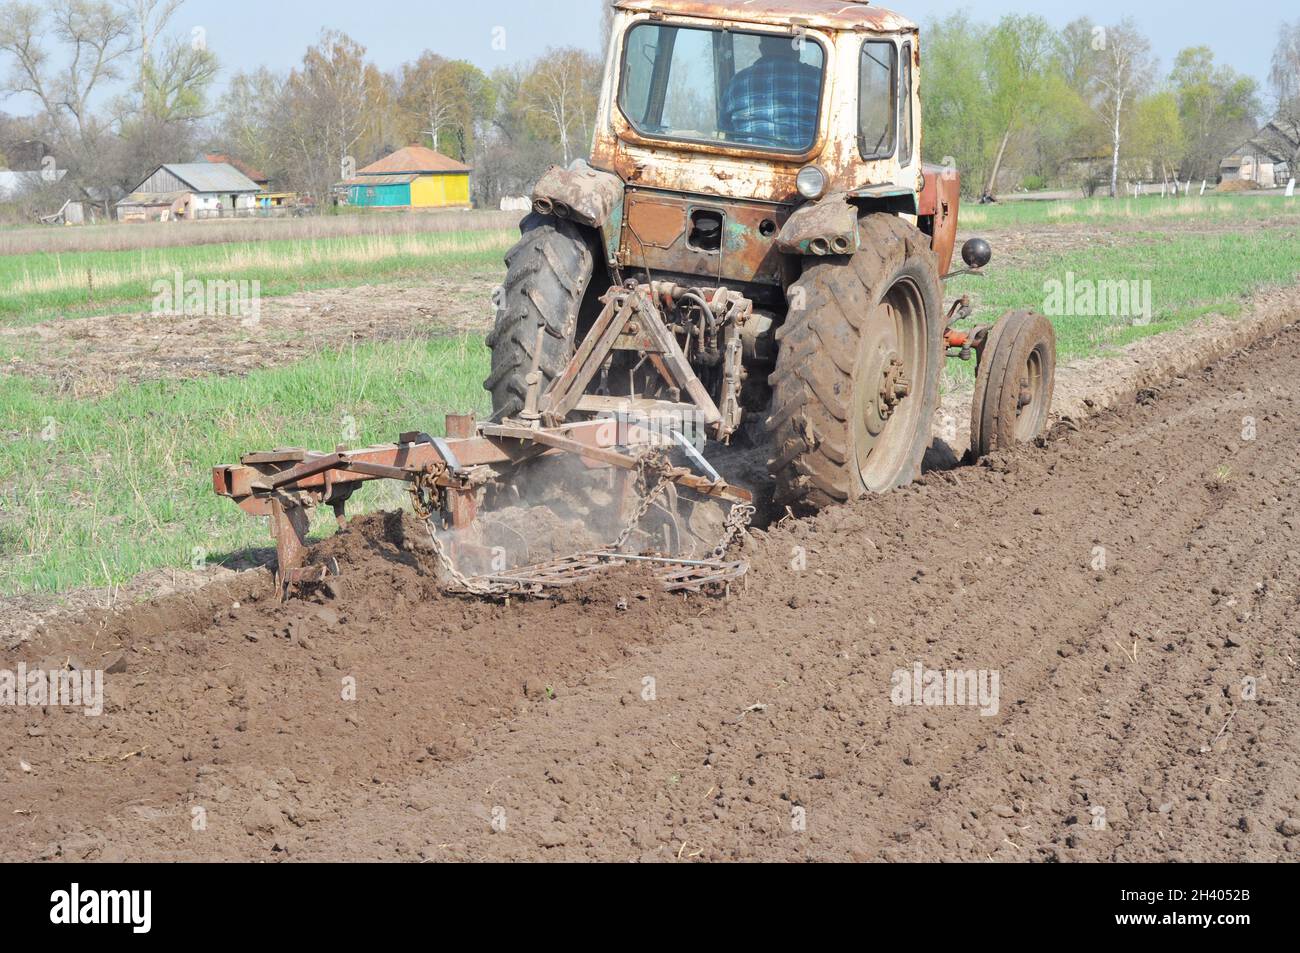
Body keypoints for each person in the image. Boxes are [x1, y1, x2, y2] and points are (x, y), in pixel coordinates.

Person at [720, 36, 821, 150]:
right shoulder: (818, 79)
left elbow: (725, 134)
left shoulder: (736, 83)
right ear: (796, 50)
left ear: (761, 49)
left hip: (749, 162)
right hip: (806, 165)